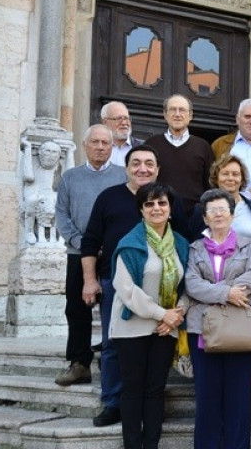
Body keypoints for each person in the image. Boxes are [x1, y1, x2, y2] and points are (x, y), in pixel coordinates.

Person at [80, 145, 191, 427]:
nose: (143, 168)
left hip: (161, 285)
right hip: (117, 282)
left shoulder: (169, 199)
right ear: (127, 167)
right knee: (112, 346)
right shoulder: (109, 197)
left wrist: (174, 310)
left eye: (149, 163)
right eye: (136, 163)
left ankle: (150, 402)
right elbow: (91, 240)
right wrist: (90, 280)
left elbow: (182, 241)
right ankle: (113, 402)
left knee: (156, 348)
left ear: (158, 169)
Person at [109, 183, 189, 449]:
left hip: (166, 329)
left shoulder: (180, 244)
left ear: (170, 208)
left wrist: (176, 314)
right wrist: (161, 314)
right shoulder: (130, 243)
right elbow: (126, 289)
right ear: (141, 210)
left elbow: (187, 285)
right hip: (133, 327)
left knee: (155, 390)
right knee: (132, 389)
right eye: (150, 204)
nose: (157, 208)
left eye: (162, 203)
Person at [184, 188, 251, 449]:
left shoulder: (247, 245)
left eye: (223, 209)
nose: (218, 214)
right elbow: (192, 284)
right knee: (207, 390)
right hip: (203, 325)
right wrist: (227, 293)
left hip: (238, 324)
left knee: (238, 390)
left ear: (232, 214)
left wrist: (218, 291)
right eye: (212, 210)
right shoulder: (195, 248)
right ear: (205, 217)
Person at [54, 125, 126, 386]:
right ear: (84, 145)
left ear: (112, 147)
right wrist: (83, 243)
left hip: (112, 254)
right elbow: (61, 215)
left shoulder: (123, 176)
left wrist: (108, 244)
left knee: (114, 305)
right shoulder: (70, 177)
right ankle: (79, 363)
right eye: (95, 142)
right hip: (78, 253)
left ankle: (112, 361)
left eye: (105, 143)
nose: (100, 147)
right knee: (77, 308)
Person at [145, 95, 215, 213]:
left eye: (182, 110)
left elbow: (210, 185)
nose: (177, 114)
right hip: (158, 212)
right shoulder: (151, 144)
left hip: (194, 215)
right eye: (173, 109)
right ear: (165, 114)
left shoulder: (203, 146)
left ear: (190, 115)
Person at [199, 154, 251, 244]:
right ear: (216, 178)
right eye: (225, 174)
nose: (230, 178)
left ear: (242, 179)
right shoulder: (201, 209)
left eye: (235, 174)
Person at [101, 100, 142, 166]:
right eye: (119, 118)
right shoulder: (97, 148)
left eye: (126, 118)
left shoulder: (144, 147)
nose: (124, 123)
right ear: (105, 122)